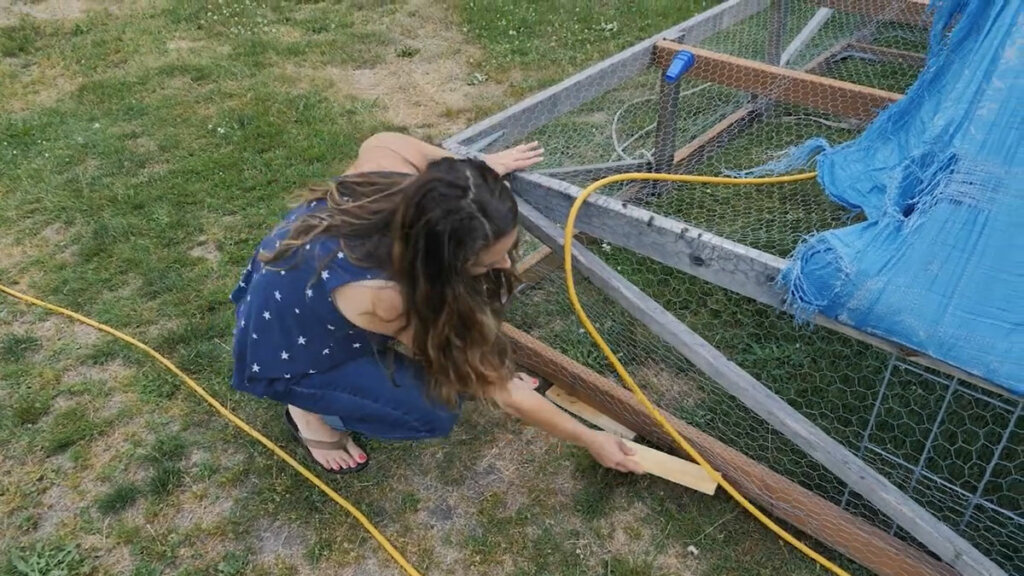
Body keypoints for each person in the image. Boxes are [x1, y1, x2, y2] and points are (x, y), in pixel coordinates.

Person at [229, 132, 643, 476]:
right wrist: (591, 438)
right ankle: (306, 410)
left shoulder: (391, 161)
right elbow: (503, 393)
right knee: (430, 413)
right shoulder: (390, 298)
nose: (503, 265)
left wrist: (478, 180)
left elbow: (400, 147)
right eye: (485, 261)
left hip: (296, 283)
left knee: (460, 360)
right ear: (435, 258)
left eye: (508, 247)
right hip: (292, 348)